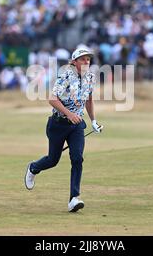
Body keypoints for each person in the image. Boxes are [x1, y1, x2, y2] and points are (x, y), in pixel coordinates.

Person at [24, 47, 103, 212]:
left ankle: (74, 198)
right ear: (74, 62)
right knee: (53, 160)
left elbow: (89, 100)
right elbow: (52, 99)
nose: (86, 62)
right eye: (82, 59)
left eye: (88, 59)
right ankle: (33, 168)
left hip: (76, 126)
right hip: (58, 124)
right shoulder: (66, 75)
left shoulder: (90, 77)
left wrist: (94, 120)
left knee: (77, 158)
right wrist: (69, 114)